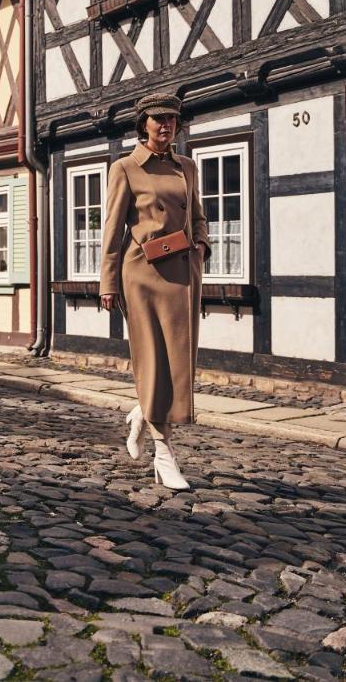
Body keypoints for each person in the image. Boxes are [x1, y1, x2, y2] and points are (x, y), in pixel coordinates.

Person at [99, 92, 210, 490]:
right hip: (141, 275)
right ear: (143, 123)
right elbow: (112, 230)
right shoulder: (125, 168)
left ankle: (140, 414)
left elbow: (198, 215)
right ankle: (164, 455)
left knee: (177, 365)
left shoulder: (187, 167)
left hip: (182, 275)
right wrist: (108, 281)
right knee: (153, 361)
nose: (166, 125)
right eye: (158, 119)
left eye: (172, 119)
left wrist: (200, 246)